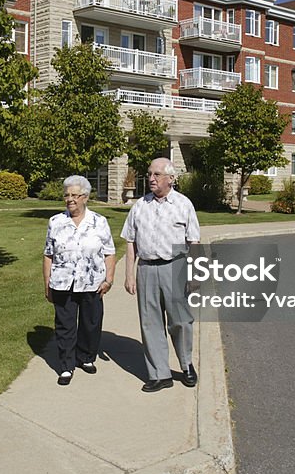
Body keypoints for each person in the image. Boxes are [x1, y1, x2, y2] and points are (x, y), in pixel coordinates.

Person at [121, 158, 201, 393]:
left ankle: (186, 365)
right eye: (149, 174)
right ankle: (159, 374)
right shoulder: (140, 206)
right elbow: (130, 241)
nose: (151, 178)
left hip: (175, 267)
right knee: (150, 322)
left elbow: (193, 241)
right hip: (146, 268)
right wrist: (129, 275)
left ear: (170, 179)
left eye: (156, 174)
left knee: (181, 322)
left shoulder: (184, 204)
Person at [43, 175, 117, 386]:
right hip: (62, 282)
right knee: (65, 325)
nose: (70, 199)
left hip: (92, 282)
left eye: (75, 195)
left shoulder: (99, 222)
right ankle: (66, 366)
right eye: (66, 195)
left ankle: (85, 357)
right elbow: (48, 254)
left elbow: (109, 252)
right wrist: (47, 284)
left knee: (91, 323)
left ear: (85, 197)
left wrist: (109, 279)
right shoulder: (56, 222)